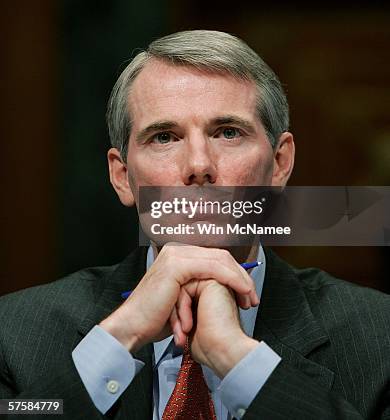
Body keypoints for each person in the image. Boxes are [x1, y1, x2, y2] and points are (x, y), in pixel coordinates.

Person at [0, 30, 389, 420]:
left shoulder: (379, 334)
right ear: (122, 177)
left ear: (280, 164)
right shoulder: (14, 332)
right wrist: (119, 339)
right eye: (164, 137)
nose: (199, 166)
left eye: (228, 133)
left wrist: (236, 360)